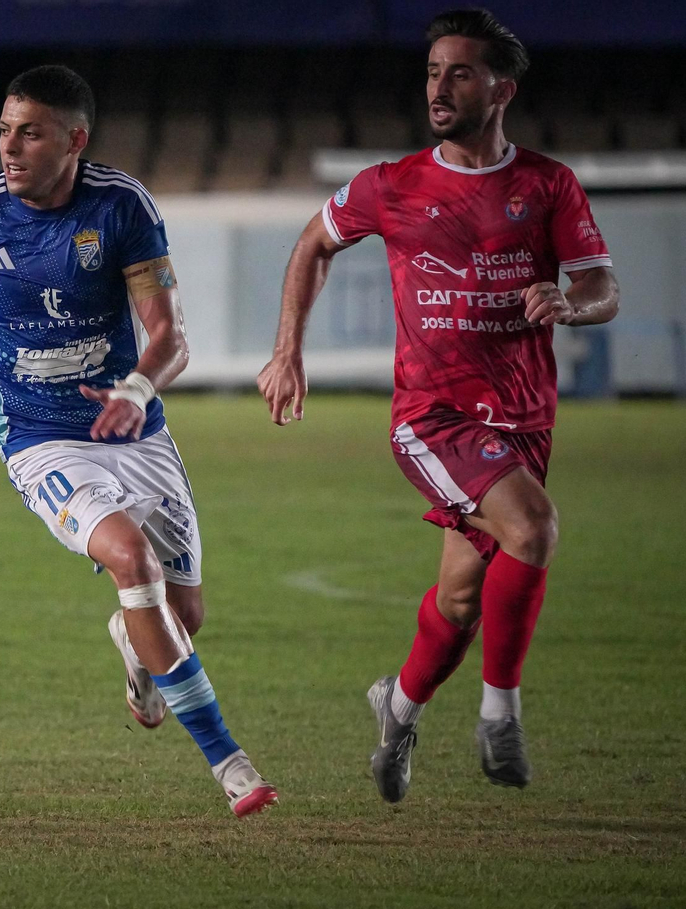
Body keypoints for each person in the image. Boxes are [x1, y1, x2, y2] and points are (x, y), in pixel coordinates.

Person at [256, 9, 619, 803]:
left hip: (524, 419)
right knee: (534, 526)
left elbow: (601, 287)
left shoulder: (547, 185)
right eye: (431, 72)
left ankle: (400, 704)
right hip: (433, 419)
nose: (438, 87)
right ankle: (501, 716)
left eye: (458, 72)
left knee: (460, 596)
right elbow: (313, 243)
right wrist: (288, 349)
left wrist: (570, 305)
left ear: (502, 88)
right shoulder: (393, 184)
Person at [0, 64, 278, 817]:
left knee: (182, 615)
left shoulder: (120, 207)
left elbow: (170, 337)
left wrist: (136, 390)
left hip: (134, 429)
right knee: (128, 557)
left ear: (76, 140)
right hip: (39, 438)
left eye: (31, 133)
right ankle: (230, 762)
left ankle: (136, 646)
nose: (10, 147)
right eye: (5, 129)